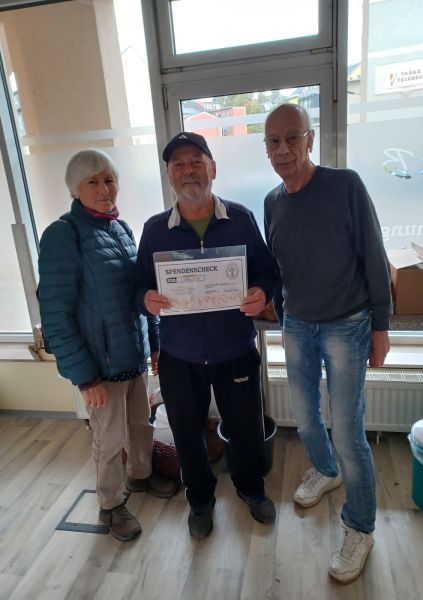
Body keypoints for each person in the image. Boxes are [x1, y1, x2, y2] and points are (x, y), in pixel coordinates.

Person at [263, 105, 392, 584]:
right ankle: (325, 469)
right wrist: (281, 315)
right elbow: (279, 268)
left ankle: (360, 527)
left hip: (348, 325)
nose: (283, 149)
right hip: (297, 324)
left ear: (310, 138)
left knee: (348, 432)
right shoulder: (272, 202)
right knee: (303, 414)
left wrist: (381, 326)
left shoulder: (345, 186)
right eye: (273, 141)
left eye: (291, 137)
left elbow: (374, 255)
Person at [135, 132, 278, 539]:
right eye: (178, 165)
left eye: (196, 161)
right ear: (169, 175)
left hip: (234, 349)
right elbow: (138, 285)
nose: (189, 171)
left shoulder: (241, 218)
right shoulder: (155, 229)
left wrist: (261, 291)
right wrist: (145, 298)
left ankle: (252, 489)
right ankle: (199, 499)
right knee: (186, 431)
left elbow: (267, 270)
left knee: (246, 426)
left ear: (212, 168)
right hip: (179, 354)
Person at [38, 149, 179, 543]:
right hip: (100, 367)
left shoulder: (121, 229)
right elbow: (56, 315)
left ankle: (141, 476)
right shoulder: (63, 235)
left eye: (109, 180)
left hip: (133, 356)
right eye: (93, 182)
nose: (104, 189)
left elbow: (141, 293)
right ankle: (110, 504)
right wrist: (85, 378)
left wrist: (154, 343)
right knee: (109, 439)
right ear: (75, 189)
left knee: (140, 424)